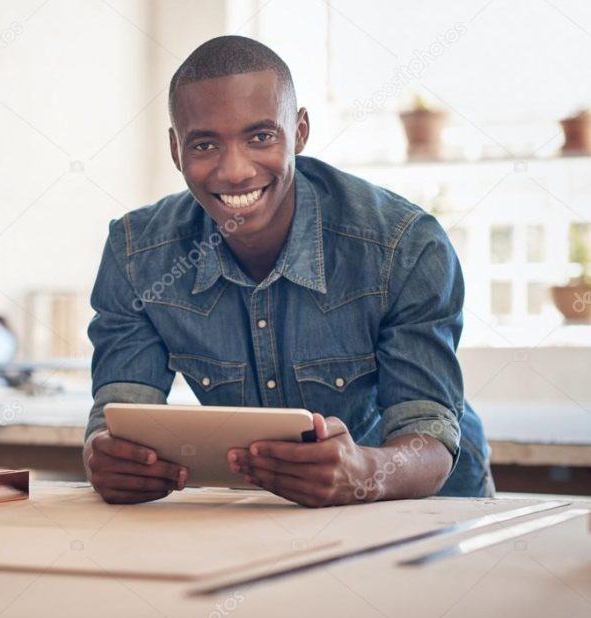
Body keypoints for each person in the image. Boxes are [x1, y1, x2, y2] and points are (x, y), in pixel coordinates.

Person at [83, 35, 493, 506]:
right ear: (176, 149)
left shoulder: (403, 245)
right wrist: (109, 458)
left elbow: (429, 438)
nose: (234, 170)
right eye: (204, 144)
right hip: (269, 509)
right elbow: (118, 418)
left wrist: (364, 472)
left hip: (424, 506)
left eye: (260, 137)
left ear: (298, 132)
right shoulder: (138, 255)